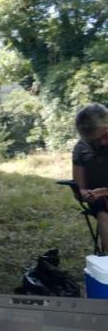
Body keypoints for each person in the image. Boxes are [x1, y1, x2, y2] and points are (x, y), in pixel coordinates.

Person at [73, 102, 108, 251]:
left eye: (104, 135)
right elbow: (78, 187)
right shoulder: (81, 148)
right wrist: (84, 194)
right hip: (99, 200)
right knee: (103, 211)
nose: (101, 142)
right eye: (93, 140)